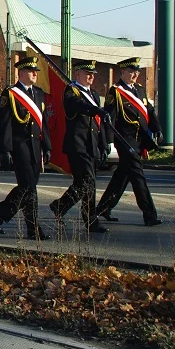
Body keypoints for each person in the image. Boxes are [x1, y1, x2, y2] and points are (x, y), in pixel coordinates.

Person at [0, 54, 51, 240]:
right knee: (29, 187)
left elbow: (43, 123)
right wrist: (6, 150)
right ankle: (33, 230)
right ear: (21, 73)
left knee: (28, 188)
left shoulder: (38, 93)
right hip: (20, 147)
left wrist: (47, 146)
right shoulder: (10, 94)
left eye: (36, 72)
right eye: (31, 71)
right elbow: (5, 125)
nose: (35, 74)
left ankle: (1, 213)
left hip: (35, 147)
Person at [96, 57, 163, 227]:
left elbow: (150, 111)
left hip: (139, 138)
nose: (135, 75)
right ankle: (149, 214)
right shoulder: (116, 92)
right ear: (123, 72)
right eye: (131, 71)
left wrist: (157, 128)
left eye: (137, 72)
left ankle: (103, 208)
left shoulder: (139, 90)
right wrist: (108, 142)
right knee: (137, 175)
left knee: (123, 175)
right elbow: (109, 118)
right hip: (124, 139)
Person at [50, 59, 109, 234]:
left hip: (90, 145)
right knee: (86, 182)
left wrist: (104, 144)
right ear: (77, 74)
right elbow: (78, 106)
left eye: (93, 74)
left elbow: (98, 124)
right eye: (87, 73)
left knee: (87, 184)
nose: (91, 76)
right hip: (77, 145)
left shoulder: (95, 95)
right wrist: (95, 109)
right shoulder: (71, 91)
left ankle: (62, 207)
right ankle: (87, 219)